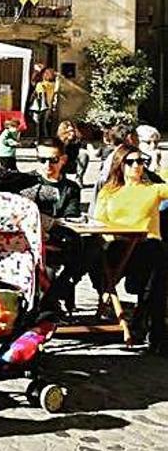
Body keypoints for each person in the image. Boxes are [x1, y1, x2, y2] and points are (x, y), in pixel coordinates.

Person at [91, 144, 168, 354]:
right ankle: (149, 327)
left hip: (147, 248)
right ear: (120, 164)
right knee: (157, 263)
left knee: (156, 254)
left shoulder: (153, 188)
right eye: (130, 161)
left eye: (141, 161)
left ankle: (150, 327)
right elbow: (98, 222)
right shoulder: (109, 191)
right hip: (118, 247)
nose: (136, 166)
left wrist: (161, 167)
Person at [18, 141, 82, 311]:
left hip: (62, 239)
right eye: (42, 160)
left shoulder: (71, 188)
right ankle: (55, 297)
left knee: (93, 248)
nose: (47, 165)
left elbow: (72, 215)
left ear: (63, 160)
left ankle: (58, 291)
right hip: (31, 242)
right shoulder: (26, 183)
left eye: (53, 160)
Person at [30, 68, 59, 143]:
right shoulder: (52, 84)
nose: (45, 75)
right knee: (43, 123)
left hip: (42, 107)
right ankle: (43, 139)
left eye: (47, 73)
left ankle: (40, 139)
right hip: (47, 106)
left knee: (40, 124)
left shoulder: (42, 84)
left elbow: (39, 95)